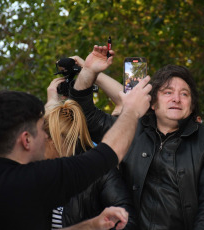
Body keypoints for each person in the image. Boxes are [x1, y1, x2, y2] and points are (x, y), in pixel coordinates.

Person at [0, 45, 152, 229]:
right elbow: (108, 153)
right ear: (26, 140)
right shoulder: (33, 178)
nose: (44, 136)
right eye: (43, 131)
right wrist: (131, 110)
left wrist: (91, 226)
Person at [70, 61, 204, 229]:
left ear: (191, 107)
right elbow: (85, 116)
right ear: (153, 103)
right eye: (168, 92)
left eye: (184, 94)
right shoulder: (130, 127)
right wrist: (89, 71)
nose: (176, 99)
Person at [44, 79, 137, 229]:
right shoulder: (35, 169)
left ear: (55, 140)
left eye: (45, 138)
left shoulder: (100, 171)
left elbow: (128, 222)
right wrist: (51, 101)